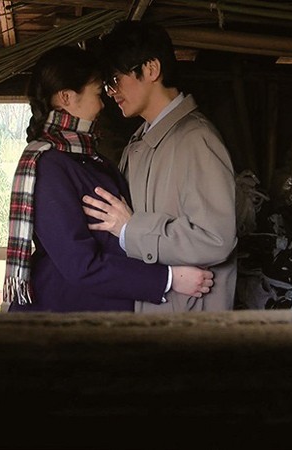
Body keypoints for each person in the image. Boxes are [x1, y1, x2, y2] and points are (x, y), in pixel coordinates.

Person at [3, 45, 214, 313]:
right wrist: (168, 279)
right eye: (97, 93)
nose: (104, 104)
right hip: (63, 313)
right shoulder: (49, 165)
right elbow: (80, 265)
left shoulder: (88, 159)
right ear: (67, 97)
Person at [82, 20, 238, 313]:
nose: (111, 92)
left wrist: (131, 229)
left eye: (115, 79)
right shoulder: (139, 143)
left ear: (151, 69)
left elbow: (216, 238)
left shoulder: (196, 139)